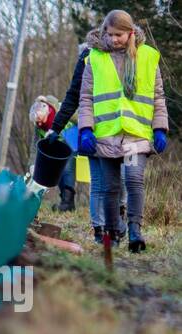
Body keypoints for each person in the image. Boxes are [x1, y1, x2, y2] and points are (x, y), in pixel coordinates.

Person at [77, 9, 169, 252]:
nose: (113, 39)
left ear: (130, 33)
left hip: (135, 136)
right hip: (106, 135)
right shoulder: (94, 59)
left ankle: (135, 233)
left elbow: (158, 97)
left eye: (119, 35)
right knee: (110, 187)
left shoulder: (148, 57)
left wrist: (160, 128)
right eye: (109, 34)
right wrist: (86, 129)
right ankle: (112, 232)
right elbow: (85, 99)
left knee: (133, 179)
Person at [49, 34, 124, 239]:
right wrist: (56, 127)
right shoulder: (87, 58)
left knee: (120, 179)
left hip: (119, 130)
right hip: (93, 130)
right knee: (100, 182)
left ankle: (116, 222)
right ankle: (101, 230)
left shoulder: (123, 57)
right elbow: (73, 96)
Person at [31, 95, 77, 210]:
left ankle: (68, 200)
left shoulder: (61, 110)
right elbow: (34, 145)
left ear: (47, 114)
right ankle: (66, 202)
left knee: (67, 169)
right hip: (57, 147)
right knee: (59, 172)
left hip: (71, 141)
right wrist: (32, 164)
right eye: (37, 122)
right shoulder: (38, 125)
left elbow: (80, 119)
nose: (39, 124)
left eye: (40, 121)